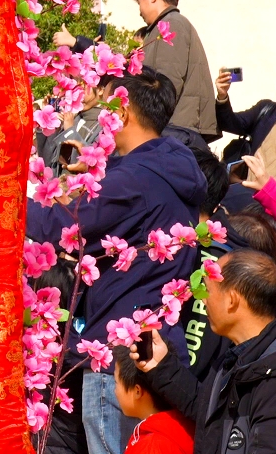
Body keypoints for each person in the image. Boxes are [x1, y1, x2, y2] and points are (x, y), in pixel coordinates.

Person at [28, 67, 205, 454]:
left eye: (108, 109)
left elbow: (63, 228)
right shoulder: (170, 168)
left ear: (122, 113)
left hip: (116, 357)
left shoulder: (135, 178)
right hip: (157, 349)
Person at [137, 248, 276, 453]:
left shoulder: (270, 379)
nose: (202, 301)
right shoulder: (233, 360)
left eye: (207, 291)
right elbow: (206, 412)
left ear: (232, 300)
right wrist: (161, 365)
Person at [133, 0, 218, 139]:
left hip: (177, 129)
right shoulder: (164, 25)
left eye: (139, 3)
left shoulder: (171, 24)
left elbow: (167, 83)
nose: (140, 12)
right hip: (176, 127)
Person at [112, 345, 194, 454]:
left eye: (116, 383)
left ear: (137, 391)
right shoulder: (183, 426)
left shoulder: (151, 446)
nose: (114, 391)